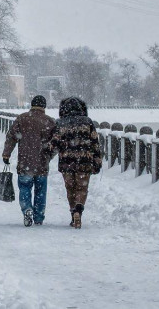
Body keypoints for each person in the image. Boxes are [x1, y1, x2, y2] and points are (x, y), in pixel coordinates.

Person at [43, 97, 102, 229]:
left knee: (70, 189)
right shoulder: (88, 122)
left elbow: (54, 143)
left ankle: (72, 213)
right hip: (84, 161)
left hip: (66, 162)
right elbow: (95, 143)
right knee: (82, 187)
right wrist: (97, 161)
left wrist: (46, 152)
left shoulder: (60, 123)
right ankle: (79, 209)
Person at [2, 95, 56, 227]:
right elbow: (55, 143)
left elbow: (11, 137)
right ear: (44, 106)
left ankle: (27, 209)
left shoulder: (22, 118)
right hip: (42, 163)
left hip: (25, 162)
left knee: (25, 188)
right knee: (40, 191)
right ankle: (38, 217)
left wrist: (6, 154)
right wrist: (49, 156)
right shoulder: (49, 121)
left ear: (31, 105)